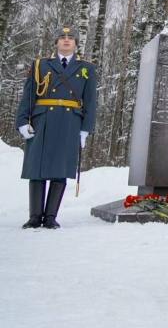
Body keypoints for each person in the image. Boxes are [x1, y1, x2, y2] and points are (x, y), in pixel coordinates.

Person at [15, 26, 97, 229]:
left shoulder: (86, 68)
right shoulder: (40, 65)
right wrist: (22, 121)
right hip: (42, 120)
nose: (67, 41)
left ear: (76, 43)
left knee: (60, 169)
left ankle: (51, 216)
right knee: (37, 168)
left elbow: (90, 101)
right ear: (56, 43)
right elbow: (28, 96)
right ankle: (35, 216)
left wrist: (86, 128)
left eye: (71, 38)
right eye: (62, 38)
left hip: (70, 122)